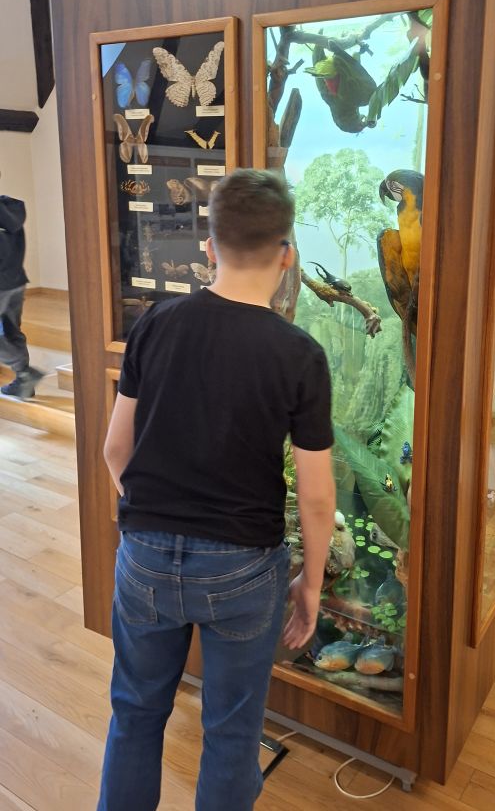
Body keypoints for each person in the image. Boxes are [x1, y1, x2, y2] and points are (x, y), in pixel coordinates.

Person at [98, 169, 335, 811]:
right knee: (231, 735)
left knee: (135, 715)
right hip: (243, 568)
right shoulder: (299, 354)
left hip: (144, 556)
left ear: (209, 247)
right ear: (287, 256)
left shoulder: (154, 323)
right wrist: (311, 584)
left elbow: (114, 450)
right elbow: (317, 497)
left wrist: (149, 523)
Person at [0, 192, 44, 399]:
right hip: (15, 281)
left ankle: (25, 374)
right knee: (11, 330)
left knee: (8, 332)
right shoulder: (11, 208)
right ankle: (23, 380)